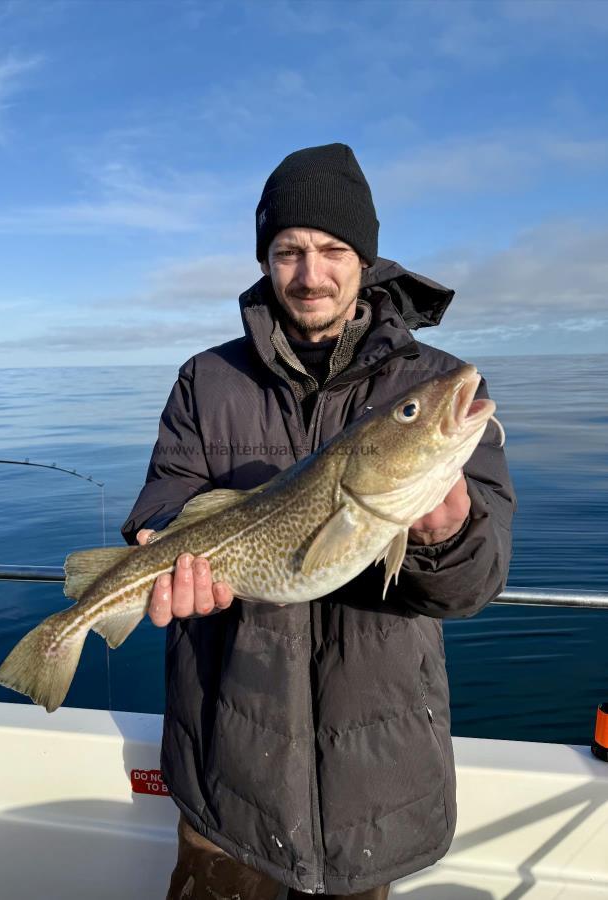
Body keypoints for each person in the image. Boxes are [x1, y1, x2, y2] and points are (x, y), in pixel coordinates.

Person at [122, 143, 515, 898]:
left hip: (375, 786)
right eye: (288, 251)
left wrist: (443, 535)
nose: (311, 273)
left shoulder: (433, 385)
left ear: (364, 259)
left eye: (332, 249)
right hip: (225, 768)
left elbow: (474, 584)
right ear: (265, 260)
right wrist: (160, 536)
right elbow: (165, 496)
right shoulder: (206, 378)